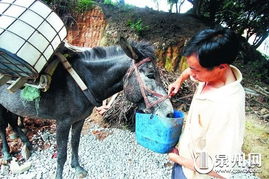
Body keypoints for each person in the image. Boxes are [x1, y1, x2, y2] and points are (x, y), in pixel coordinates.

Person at [167, 27, 245, 179]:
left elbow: (220, 171)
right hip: (185, 160)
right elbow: (190, 71)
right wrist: (179, 80)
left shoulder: (227, 108)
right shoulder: (210, 72)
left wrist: (178, 159)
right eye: (191, 67)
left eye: (196, 70)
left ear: (221, 66)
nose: (192, 74)